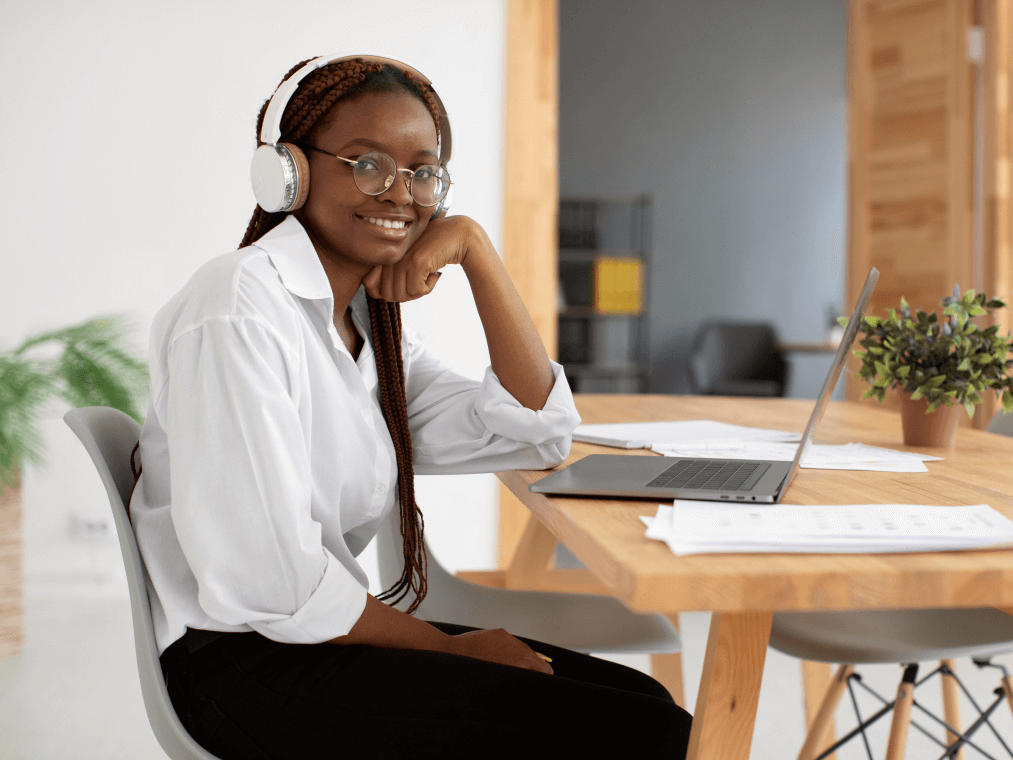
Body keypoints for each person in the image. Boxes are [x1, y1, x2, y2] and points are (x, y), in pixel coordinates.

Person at [130, 54, 693, 758]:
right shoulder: (240, 308)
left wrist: (477, 252)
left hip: (311, 639)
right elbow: (273, 586)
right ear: (288, 172)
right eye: (367, 163)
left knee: (644, 704)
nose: (399, 192)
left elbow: (537, 432)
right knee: (647, 734)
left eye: (423, 172)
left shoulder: (366, 329)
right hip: (241, 665)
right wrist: (448, 649)